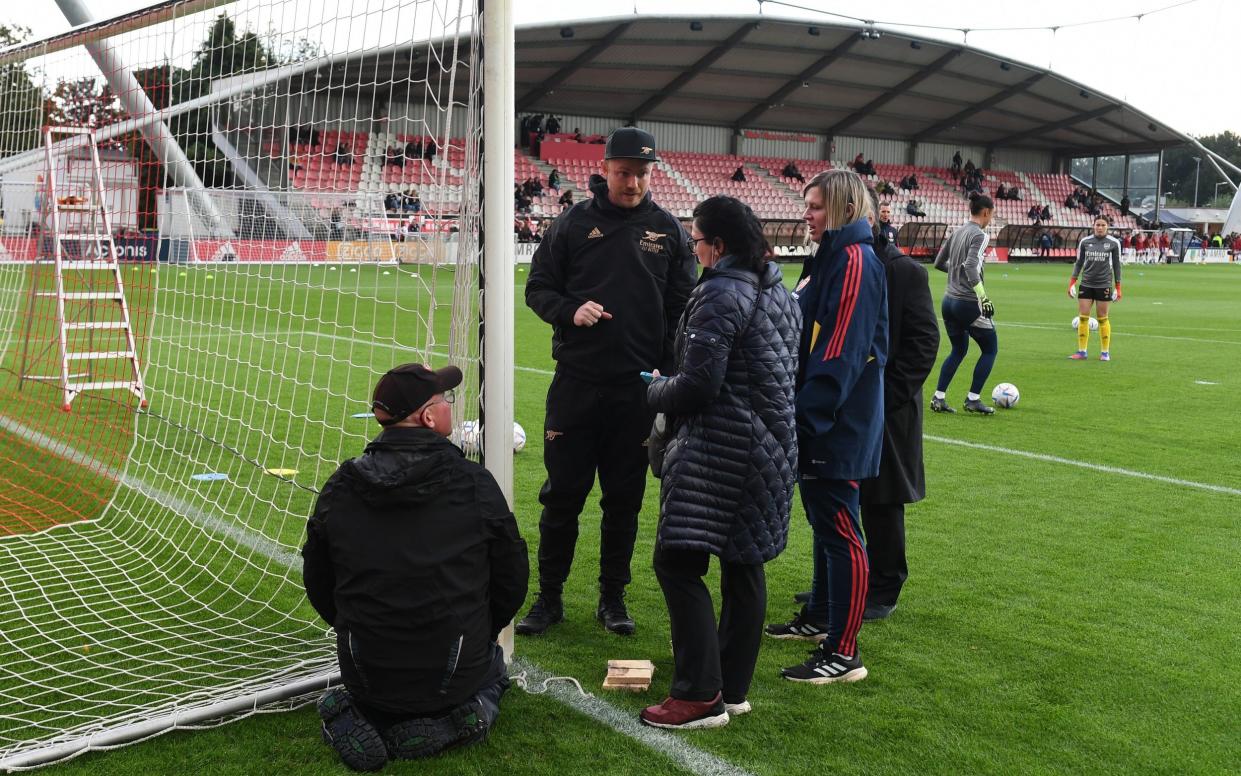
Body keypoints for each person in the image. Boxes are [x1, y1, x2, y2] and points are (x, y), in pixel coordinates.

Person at [302, 363, 528, 771]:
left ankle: (355, 712)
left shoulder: (341, 485)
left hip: (365, 668)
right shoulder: (473, 484)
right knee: (495, 670)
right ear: (427, 417)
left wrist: (352, 627)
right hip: (454, 669)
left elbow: (318, 581)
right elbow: (513, 578)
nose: (450, 408)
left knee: (378, 679)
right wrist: (482, 630)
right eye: (445, 401)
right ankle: (468, 713)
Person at [521, 127, 697, 637]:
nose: (633, 183)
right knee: (562, 497)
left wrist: (670, 369)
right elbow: (538, 288)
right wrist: (570, 310)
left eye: (642, 174)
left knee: (624, 500)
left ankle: (612, 600)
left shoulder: (667, 230)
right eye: (624, 173)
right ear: (605, 168)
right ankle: (548, 597)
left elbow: (683, 307)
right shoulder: (574, 223)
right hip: (576, 385)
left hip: (637, 392)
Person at [639, 195, 800, 729]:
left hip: (721, 450)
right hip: (770, 450)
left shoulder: (720, 293)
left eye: (697, 241)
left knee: (677, 562)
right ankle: (731, 689)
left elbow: (699, 386)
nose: (693, 248)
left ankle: (698, 695)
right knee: (744, 564)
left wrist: (657, 390)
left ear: (719, 245)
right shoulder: (777, 289)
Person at [764, 169, 887, 684]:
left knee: (840, 528)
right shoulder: (829, 258)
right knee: (824, 520)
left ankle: (844, 651)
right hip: (821, 414)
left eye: (814, 207)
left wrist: (805, 418)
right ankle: (818, 616)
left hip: (837, 420)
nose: (806, 216)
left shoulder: (856, 260)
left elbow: (840, 353)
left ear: (838, 208)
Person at [858, 188, 938, 621]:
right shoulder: (836, 266)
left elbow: (925, 343)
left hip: (888, 407)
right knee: (844, 494)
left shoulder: (903, 270)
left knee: (882, 499)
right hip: (847, 404)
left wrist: (887, 397)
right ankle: (848, 576)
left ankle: (885, 587)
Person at [930, 193, 998, 415]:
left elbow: (938, 263)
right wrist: (983, 296)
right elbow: (970, 266)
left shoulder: (957, 231)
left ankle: (938, 397)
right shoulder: (980, 235)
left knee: (958, 349)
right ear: (986, 212)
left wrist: (956, 275)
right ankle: (973, 399)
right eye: (992, 214)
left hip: (948, 301)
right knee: (990, 348)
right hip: (967, 302)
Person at [1068, 216, 1122, 361]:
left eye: (1103, 225)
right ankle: (1082, 352)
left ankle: (1105, 353)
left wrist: (1118, 287)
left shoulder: (1113, 243)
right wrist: (1072, 282)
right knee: (1083, 317)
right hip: (1086, 284)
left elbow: (1117, 266)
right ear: (1093, 226)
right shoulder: (1085, 242)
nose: (1100, 227)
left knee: (1103, 318)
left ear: (1107, 227)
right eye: (1097, 225)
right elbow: (1079, 263)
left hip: (1104, 284)